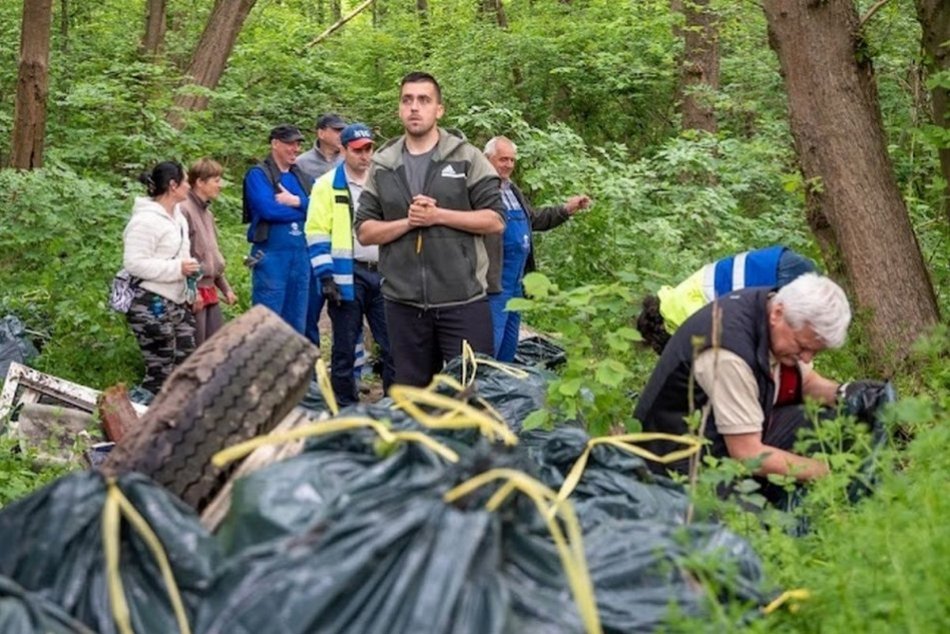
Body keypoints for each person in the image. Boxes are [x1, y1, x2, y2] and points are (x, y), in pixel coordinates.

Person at [633, 273, 852, 502]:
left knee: (832, 422)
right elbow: (747, 454)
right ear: (778, 314)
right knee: (749, 532)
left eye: (815, 352)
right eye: (803, 347)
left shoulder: (770, 308)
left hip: (729, 436)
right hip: (679, 465)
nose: (806, 358)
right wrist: (828, 473)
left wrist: (847, 393)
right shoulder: (729, 353)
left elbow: (806, 382)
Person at [355, 71, 505, 387]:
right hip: (403, 304)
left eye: (424, 100)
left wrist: (438, 216)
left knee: (471, 396)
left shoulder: (467, 157)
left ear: (439, 109)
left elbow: (494, 220)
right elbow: (365, 231)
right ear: (399, 108)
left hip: (462, 301)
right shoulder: (383, 164)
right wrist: (409, 222)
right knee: (412, 400)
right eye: (407, 100)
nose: (414, 107)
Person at [306, 123, 395, 405]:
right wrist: (326, 277)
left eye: (369, 149)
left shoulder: (384, 182)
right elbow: (316, 231)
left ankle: (395, 403)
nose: (365, 155)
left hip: (383, 274)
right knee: (344, 346)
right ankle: (344, 406)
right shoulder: (326, 186)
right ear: (343, 150)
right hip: (348, 274)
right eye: (358, 150)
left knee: (393, 344)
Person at [483, 135, 591, 361]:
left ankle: (501, 388)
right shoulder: (479, 191)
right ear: (487, 159)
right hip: (493, 281)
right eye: (503, 159)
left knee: (510, 342)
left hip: (517, 281)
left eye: (512, 160)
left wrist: (566, 209)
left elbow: (534, 219)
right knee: (490, 342)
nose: (509, 165)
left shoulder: (512, 190)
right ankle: (477, 390)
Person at [637, 245, 817, 354]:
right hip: (778, 262)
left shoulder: (680, 315)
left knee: (792, 346)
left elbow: (724, 344)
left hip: (774, 277)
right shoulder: (678, 297)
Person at [123, 161, 201, 394]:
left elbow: (183, 256)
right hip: (149, 303)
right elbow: (134, 263)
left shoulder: (178, 218)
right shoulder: (145, 220)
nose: (189, 186)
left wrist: (190, 289)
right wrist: (178, 268)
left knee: (185, 363)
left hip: (176, 302)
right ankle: (139, 418)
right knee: (161, 369)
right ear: (173, 185)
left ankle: (176, 419)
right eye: (186, 181)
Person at [242, 124, 312, 335]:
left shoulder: (302, 177)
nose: (296, 148)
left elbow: (323, 207)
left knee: (297, 324)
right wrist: (304, 208)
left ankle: (293, 368)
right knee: (267, 322)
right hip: (271, 258)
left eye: (298, 144)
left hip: (301, 258)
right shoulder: (258, 175)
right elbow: (268, 210)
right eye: (290, 143)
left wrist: (294, 201)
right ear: (275, 144)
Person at [297, 113, 347, 348]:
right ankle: (313, 370)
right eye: (336, 130)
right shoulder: (302, 163)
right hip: (314, 242)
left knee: (348, 310)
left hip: (345, 242)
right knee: (310, 308)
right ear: (321, 132)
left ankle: (350, 373)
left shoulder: (348, 159)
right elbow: (298, 201)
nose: (340, 135)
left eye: (342, 130)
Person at [179, 158, 238, 346]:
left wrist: (225, 288)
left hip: (210, 290)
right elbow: (182, 255)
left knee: (215, 347)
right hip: (194, 293)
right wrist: (192, 290)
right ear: (200, 182)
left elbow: (212, 256)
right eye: (216, 180)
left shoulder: (207, 213)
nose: (220, 186)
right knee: (195, 350)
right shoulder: (184, 210)